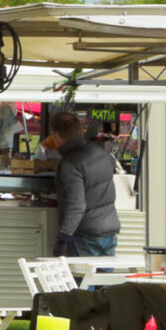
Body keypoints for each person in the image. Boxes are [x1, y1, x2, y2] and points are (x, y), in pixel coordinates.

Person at [49, 108, 120, 259]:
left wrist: (64, 237)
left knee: (83, 282)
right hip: (109, 231)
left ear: (57, 135)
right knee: (105, 281)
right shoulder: (102, 154)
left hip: (86, 236)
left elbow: (76, 205)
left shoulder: (71, 164)